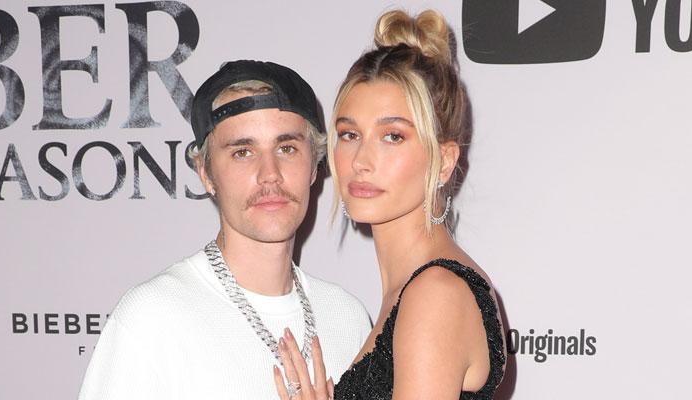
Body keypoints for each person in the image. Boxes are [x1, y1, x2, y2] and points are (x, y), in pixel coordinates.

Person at [78, 60, 371, 400]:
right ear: (205, 172)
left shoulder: (348, 318)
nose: (269, 173)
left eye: (286, 148)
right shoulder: (152, 319)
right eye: (243, 152)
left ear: (314, 165)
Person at [273, 10, 506, 400]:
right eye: (349, 134)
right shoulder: (415, 290)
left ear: (444, 161)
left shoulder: (435, 294)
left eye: (392, 136)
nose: (361, 160)